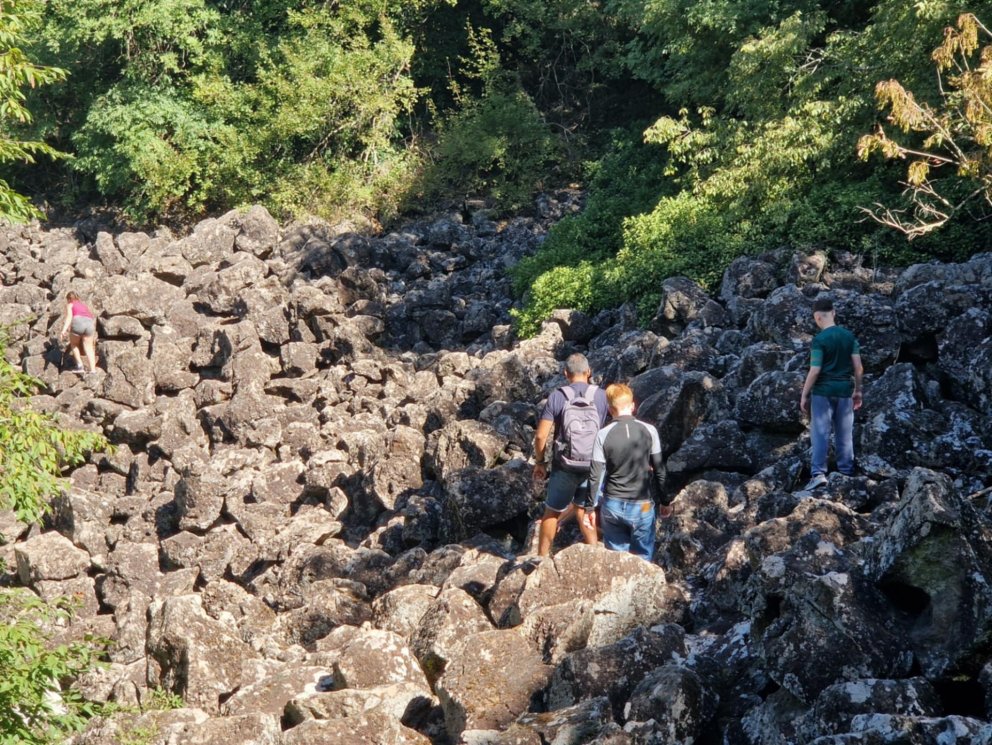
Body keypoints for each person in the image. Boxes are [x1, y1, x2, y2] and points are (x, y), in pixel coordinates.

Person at [532, 353, 609, 556]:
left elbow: (540, 436)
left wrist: (540, 462)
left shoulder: (558, 396)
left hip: (564, 465)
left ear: (566, 373)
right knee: (585, 509)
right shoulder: (602, 396)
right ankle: (594, 554)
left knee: (552, 511)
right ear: (589, 372)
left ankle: (541, 558)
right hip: (594, 464)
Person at [587, 383, 670, 561]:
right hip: (643, 505)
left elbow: (595, 474)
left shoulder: (603, 434)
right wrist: (665, 501)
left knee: (617, 560)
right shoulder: (650, 431)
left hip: (612, 505)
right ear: (633, 405)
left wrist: (590, 508)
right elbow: (660, 470)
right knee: (643, 558)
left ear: (610, 409)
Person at [799, 296, 863, 490]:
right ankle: (846, 472)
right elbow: (858, 368)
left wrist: (804, 394)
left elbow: (815, 370)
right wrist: (858, 391)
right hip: (845, 391)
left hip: (823, 392)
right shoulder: (849, 337)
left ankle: (818, 474)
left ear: (817, 318)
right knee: (845, 434)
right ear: (833, 313)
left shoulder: (819, 340)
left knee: (820, 433)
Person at [59, 291, 98, 374]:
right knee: (89, 347)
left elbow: (69, 317)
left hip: (78, 322)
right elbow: (90, 316)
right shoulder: (83, 305)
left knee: (74, 344)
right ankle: (93, 370)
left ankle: (80, 366)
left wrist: (64, 330)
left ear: (69, 299)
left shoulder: (70, 305)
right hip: (90, 323)